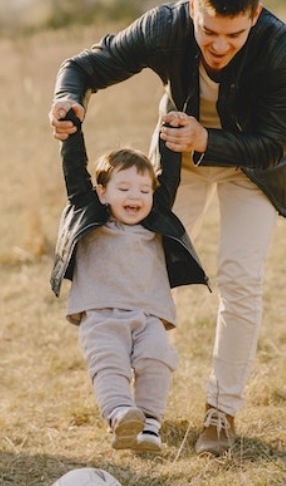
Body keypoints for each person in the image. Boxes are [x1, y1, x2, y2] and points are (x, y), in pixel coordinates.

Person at [49, 0, 286, 456]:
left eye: (235, 33)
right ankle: (128, 402)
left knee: (239, 277)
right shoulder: (164, 26)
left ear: (256, 16)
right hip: (174, 164)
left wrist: (206, 137)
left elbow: (275, 143)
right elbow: (83, 66)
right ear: (191, 8)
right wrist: (69, 100)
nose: (220, 45)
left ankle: (221, 411)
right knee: (143, 263)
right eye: (208, 31)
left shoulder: (282, 47)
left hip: (252, 169)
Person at [51, 110, 208, 452]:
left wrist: (171, 129)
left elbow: (170, 173)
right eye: (123, 188)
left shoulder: (156, 221)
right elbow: (74, 172)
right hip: (101, 314)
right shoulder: (90, 214)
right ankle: (121, 416)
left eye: (143, 190)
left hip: (149, 314)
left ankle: (150, 423)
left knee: (156, 360)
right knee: (110, 364)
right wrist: (71, 131)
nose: (135, 197)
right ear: (102, 192)